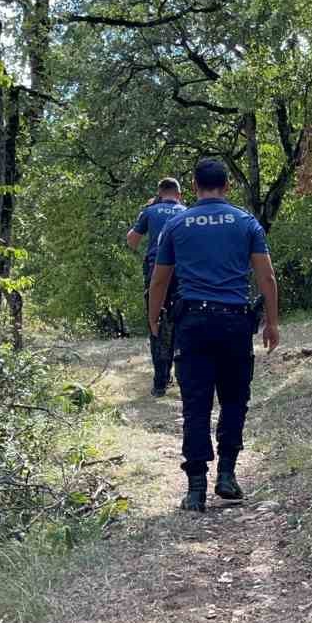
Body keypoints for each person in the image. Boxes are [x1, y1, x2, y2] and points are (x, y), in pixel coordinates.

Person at [148, 159, 281, 512]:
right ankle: (227, 474)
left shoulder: (177, 224)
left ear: (194, 186)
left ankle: (195, 488)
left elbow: (160, 279)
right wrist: (272, 321)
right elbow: (266, 277)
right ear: (227, 186)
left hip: (192, 323)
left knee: (196, 404)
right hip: (235, 324)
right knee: (235, 400)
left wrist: (154, 319)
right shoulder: (245, 222)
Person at [127, 178, 188, 396]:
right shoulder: (187, 211)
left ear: (160, 193)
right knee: (182, 322)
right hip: (183, 274)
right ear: (179, 194)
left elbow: (132, 241)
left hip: (155, 271)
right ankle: (184, 378)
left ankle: (160, 383)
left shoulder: (150, 212)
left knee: (156, 322)